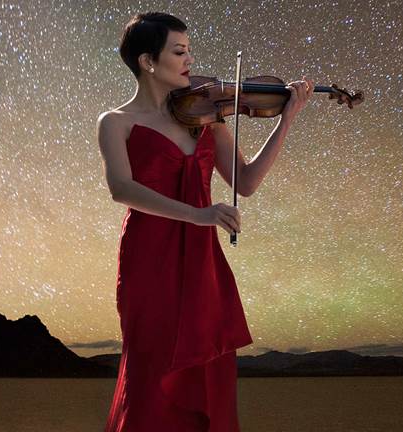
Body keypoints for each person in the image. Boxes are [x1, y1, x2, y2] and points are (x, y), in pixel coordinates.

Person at [97, 12, 313, 431]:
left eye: (189, 51)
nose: (190, 60)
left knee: (210, 374)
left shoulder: (207, 116)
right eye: (179, 51)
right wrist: (200, 215)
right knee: (151, 374)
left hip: (203, 263)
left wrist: (287, 119)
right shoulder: (115, 122)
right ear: (147, 61)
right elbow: (121, 188)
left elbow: (245, 182)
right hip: (149, 260)